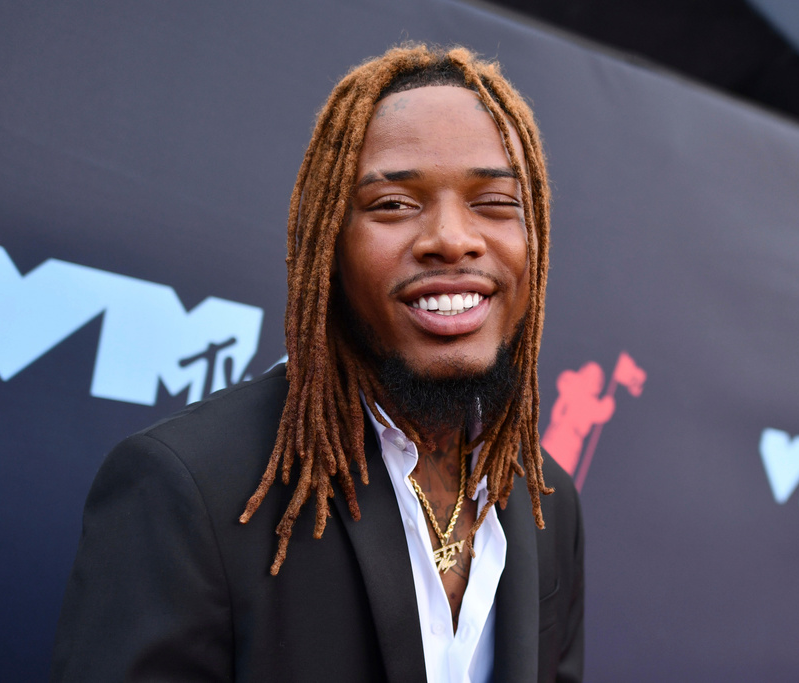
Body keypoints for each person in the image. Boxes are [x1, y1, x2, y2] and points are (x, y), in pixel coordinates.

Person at [51, 43, 584, 682]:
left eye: (496, 203)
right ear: (328, 243)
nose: (453, 238)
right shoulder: (190, 490)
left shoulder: (547, 502)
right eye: (394, 204)